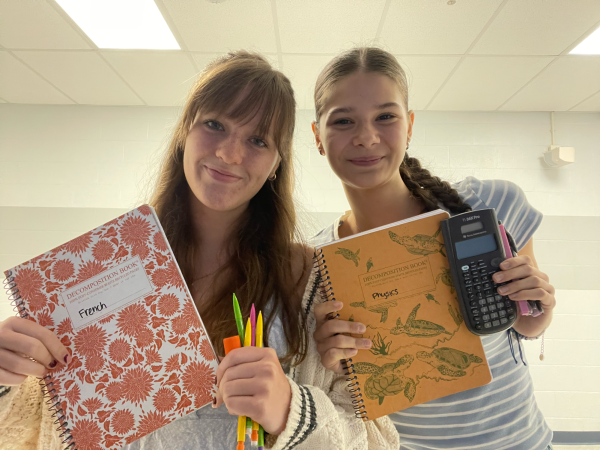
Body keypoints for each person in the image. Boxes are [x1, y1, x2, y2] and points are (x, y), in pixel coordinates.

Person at [0, 51, 398, 450]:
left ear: (278, 162)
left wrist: (292, 409)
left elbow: (379, 441)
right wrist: (6, 374)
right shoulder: (102, 264)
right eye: (214, 125)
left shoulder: (310, 278)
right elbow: (30, 425)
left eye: (258, 139)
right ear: (184, 133)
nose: (229, 153)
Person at [310, 47, 556, 450]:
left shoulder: (488, 206)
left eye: (385, 116)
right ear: (318, 137)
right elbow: (344, 400)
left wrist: (537, 300)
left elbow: (529, 324)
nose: (366, 136)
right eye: (343, 120)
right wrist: (332, 363)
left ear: (409, 125)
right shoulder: (320, 262)